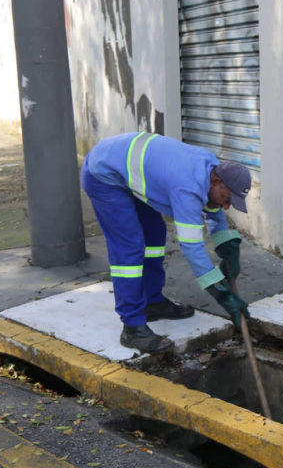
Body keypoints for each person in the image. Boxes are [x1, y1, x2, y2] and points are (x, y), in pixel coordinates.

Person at [81, 132, 251, 355]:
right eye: (228, 199)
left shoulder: (211, 169)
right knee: (129, 248)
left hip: (126, 169)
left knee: (154, 233)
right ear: (217, 181)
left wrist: (227, 248)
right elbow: (192, 247)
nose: (227, 206)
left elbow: (212, 207)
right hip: (103, 174)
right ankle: (132, 327)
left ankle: (152, 302)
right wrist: (222, 293)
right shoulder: (186, 188)